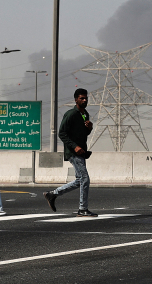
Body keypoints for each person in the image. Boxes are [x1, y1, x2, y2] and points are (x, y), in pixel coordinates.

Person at [43, 88, 97, 217]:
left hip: (81, 152)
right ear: (76, 100)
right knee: (84, 178)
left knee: (80, 180)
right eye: (81, 98)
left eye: (86, 98)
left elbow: (83, 133)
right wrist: (75, 146)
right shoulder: (71, 114)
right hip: (73, 152)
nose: (84, 100)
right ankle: (82, 209)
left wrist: (89, 129)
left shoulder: (85, 114)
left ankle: (53, 194)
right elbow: (62, 133)